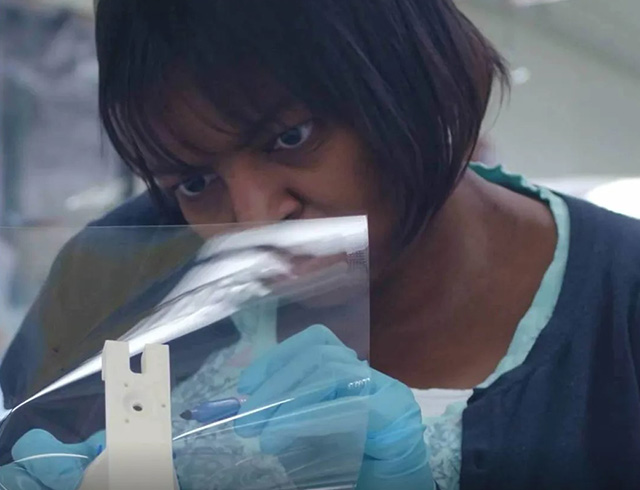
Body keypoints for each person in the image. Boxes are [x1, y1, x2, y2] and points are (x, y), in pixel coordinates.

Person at [2, 0, 640, 489]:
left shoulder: (622, 305)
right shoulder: (112, 275)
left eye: (291, 137)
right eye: (195, 181)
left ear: (411, 73)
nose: (254, 219)